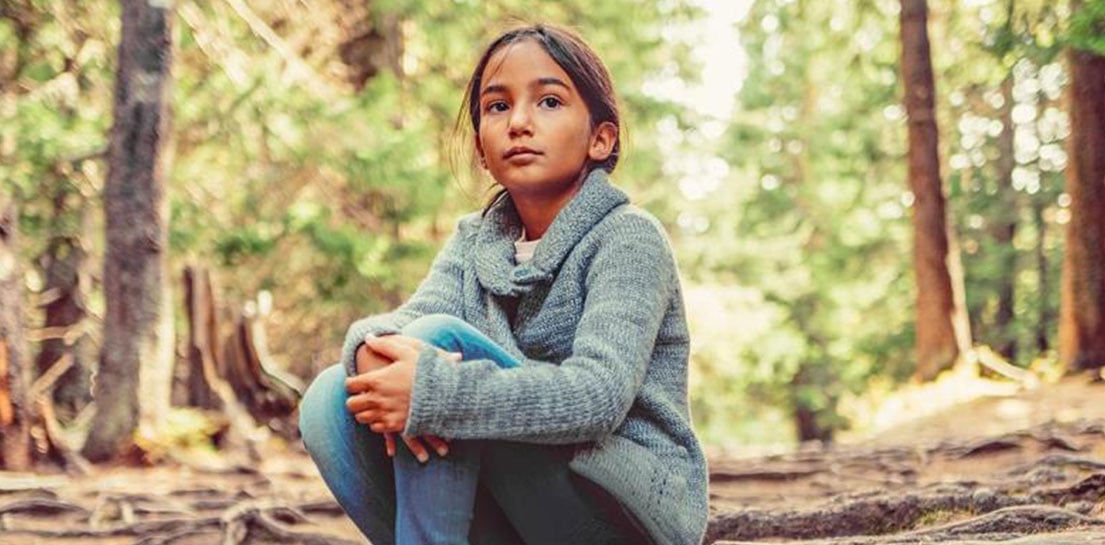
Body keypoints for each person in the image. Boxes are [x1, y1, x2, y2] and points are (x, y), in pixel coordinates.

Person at [298, 23, 709, 545]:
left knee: (439, 347)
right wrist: (369, 354)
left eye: (549, 102)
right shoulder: (477, 242)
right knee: (329, 399)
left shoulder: (628, 238)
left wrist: (438, 392)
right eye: (497, 106)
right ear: (479, 148)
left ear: (600, 139)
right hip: (522, 511)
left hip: (623, 508)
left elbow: (598, 397)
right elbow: (402, 324)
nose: (519, 122)